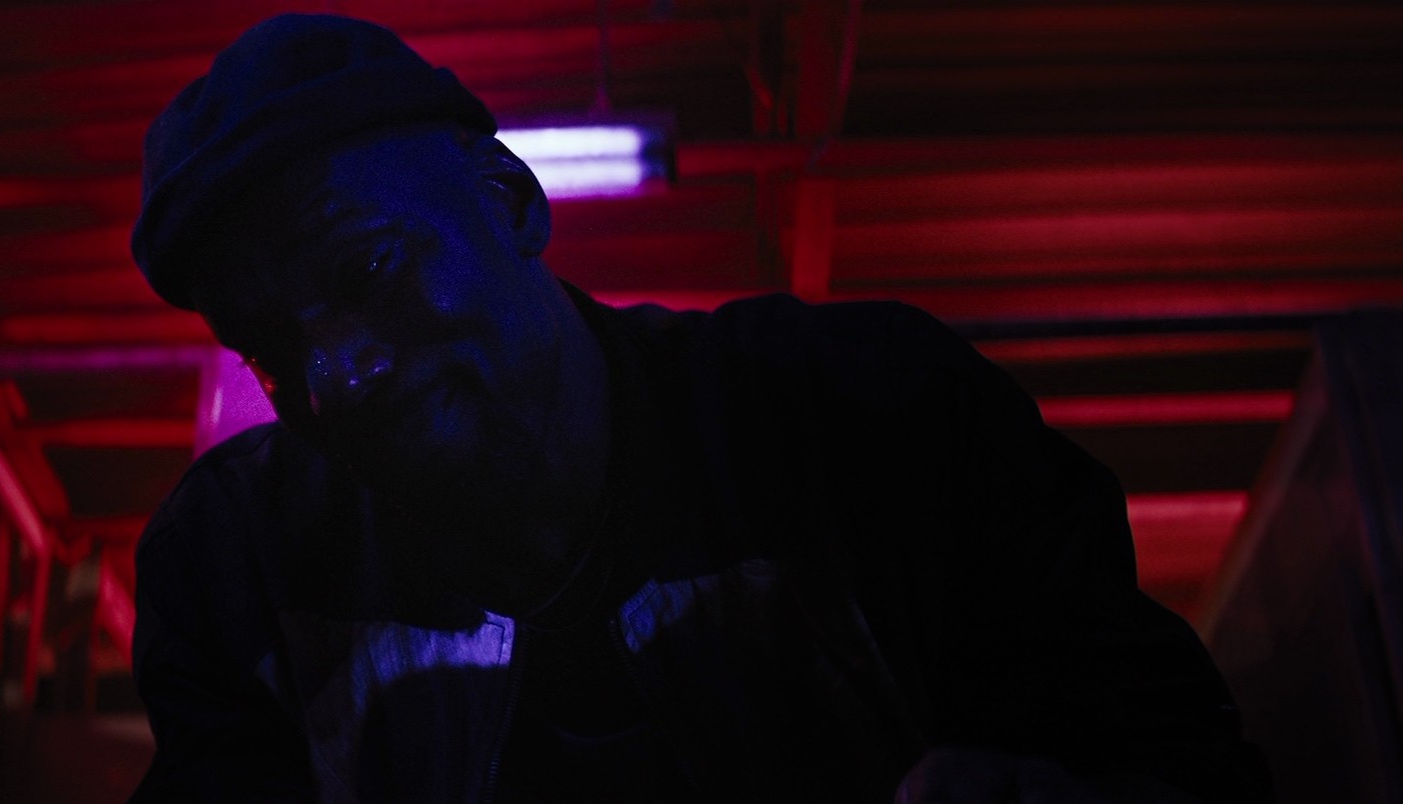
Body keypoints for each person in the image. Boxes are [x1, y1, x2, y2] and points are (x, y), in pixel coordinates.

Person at [125, 14, 1270, 803]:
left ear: (512, 200)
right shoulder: (231, 567)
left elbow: (1173, 758)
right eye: (268, 347)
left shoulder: (867, 416)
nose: (333, 374)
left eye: (368, 269)